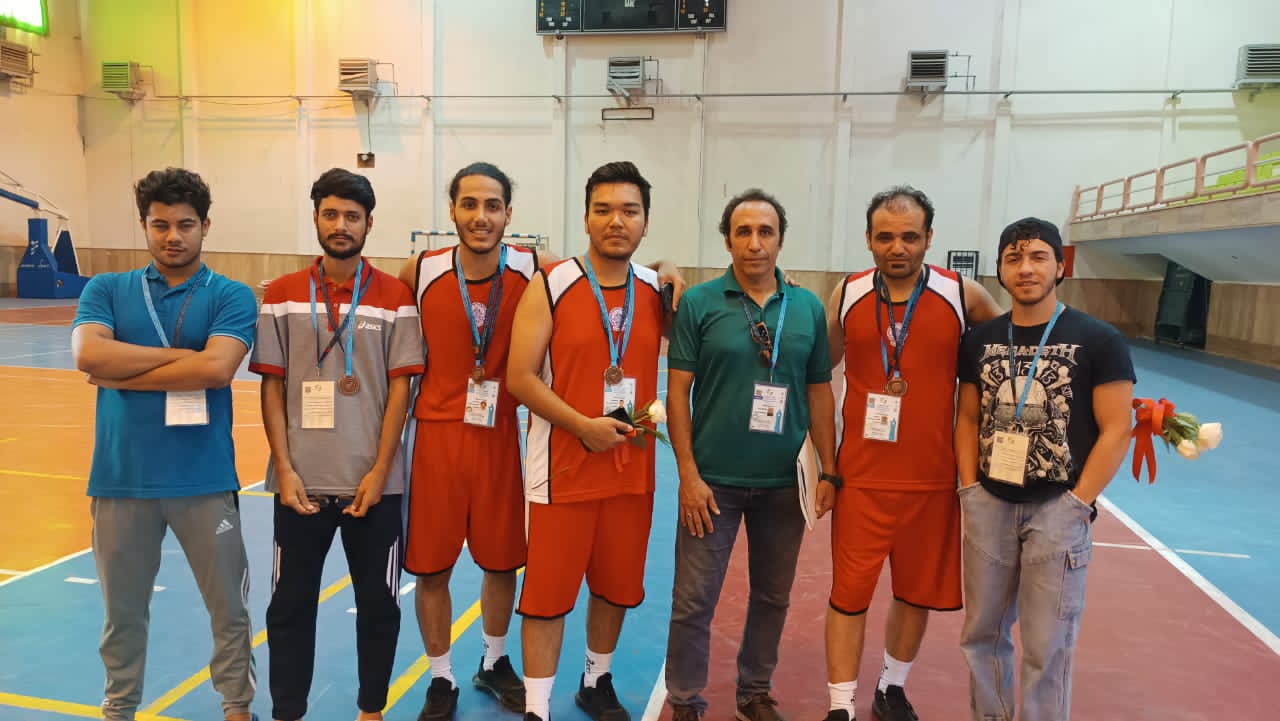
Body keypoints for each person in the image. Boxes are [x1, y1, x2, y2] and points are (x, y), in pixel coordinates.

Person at [71, 167, 258, 721]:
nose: (173, 236)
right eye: (160, 225)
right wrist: (187, 360)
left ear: (205, 226)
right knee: (122, 615)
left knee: (229, 610)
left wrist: (122, 370)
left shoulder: (230, 294)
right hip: (121, 480)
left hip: (204, 480)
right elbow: (89, 356)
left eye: (185, 225)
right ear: (144, 225)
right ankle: (119, 708)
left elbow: (219, 369)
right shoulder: (106, 289)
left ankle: (237, 707)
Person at [249, 168, 424, 721]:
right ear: (316, 218)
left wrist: (380, 471)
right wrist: (284, 468)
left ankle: (371, 711)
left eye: (352, 216)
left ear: (369, 223)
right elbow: (271, 387)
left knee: (379, 608)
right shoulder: (281, 296)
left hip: (374, 488)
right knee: (289, 608)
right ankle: (288, 712)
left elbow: (401, 393)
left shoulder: (396, 297)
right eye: (331, 214)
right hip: (299, 486)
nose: (341, 225)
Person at [822, 186, 1003, 721]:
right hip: (861, 478)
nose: (897, 247)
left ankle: (891, 688)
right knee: (847, 595)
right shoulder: (847, 293)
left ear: (929, 238)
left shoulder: (963, 294)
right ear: (868, 239)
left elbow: (1010, 355)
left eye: (909, 236)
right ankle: (840, 706)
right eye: (885, 237)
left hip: (933, 480)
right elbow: (815, 369)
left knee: (914, 593)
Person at [663, 189, 838, 721]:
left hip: (785, 483)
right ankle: (685, 699)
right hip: (711, 483)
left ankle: (754, 692)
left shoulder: (807, 307)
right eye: (743, 232)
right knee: (693, 600)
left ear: (780, 240)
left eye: (766, 232)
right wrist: (688, 474)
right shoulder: (699, 304)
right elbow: (677, 393)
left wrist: (829, 470)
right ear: (727, 240)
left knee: (772, 597)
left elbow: (819, 393)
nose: (755, 243)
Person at [506, 161, 669, 721]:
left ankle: (595, 681)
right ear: (586, 218)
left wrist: (672, 271)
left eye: (629, 211)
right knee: (547, 597)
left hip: (631, 470)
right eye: (604, 210)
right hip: (562, 471)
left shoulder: (657, 290)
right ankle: (537, 707)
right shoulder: (551, 285)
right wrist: (582, 426)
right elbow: (520, 377)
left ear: (645, 222)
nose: (616, 221)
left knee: (615, 587)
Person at [956, 217, 1134, 721]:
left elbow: (1117, 428)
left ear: (1060, 266)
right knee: (981, 635)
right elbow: (967, 417)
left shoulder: (1099, 339)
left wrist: (1078, 503)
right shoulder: (980, 340)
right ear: (1000, 270)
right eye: (1013, 259)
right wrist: (970, 490)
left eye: (1038, 256)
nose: (1026, 268)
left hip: (1058, 508)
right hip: (989, 505)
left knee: (1046, 645)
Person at [398, 162, 540, 720]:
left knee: (502, 562)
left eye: (493, 206)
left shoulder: (534, 268)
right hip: (435, 437)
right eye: (470, 204)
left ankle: (494, 660)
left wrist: (665, 268)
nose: (481, 216)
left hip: (499, 434)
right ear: (452, 210)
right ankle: (441, 677)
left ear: (509, 213)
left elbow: (599, 274)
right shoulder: (421, 269)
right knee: (432, 567)